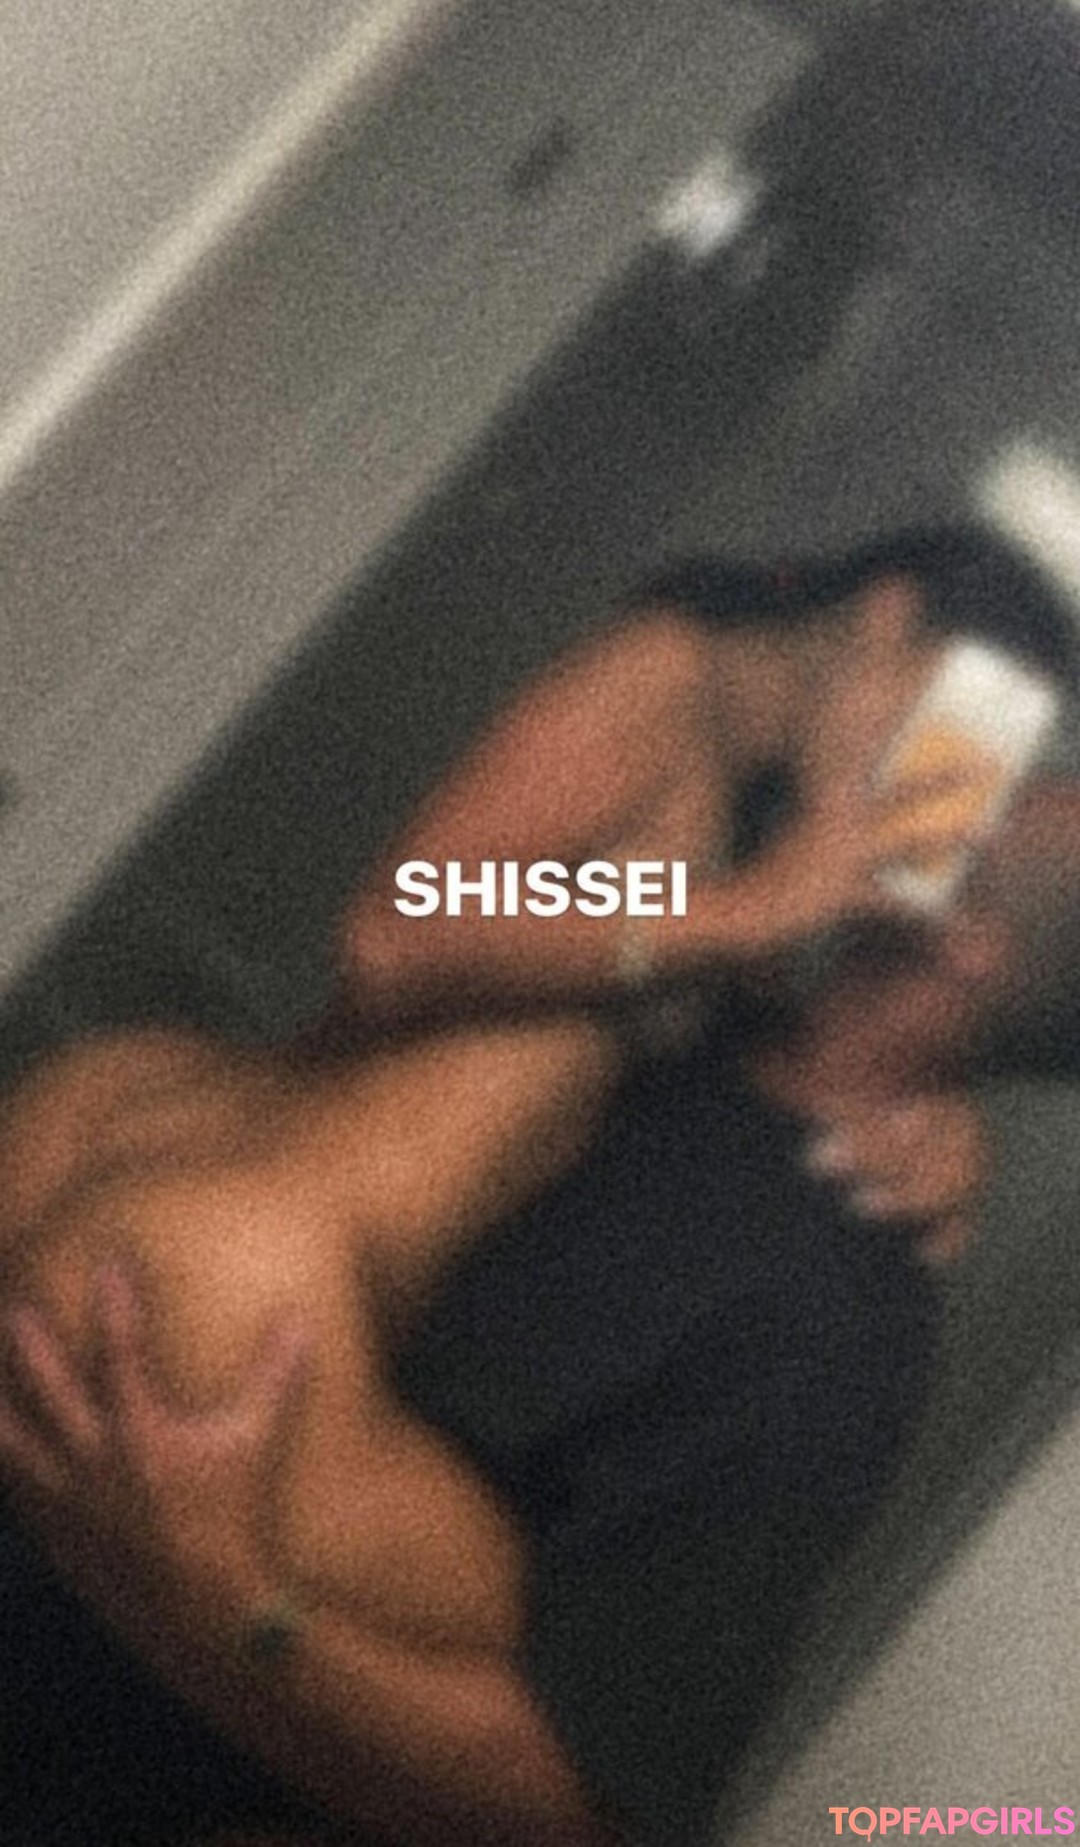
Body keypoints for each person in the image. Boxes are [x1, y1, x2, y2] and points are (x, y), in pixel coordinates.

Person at [0, 527, 1075, 1846]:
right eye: (967, 735)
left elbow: (601, 943)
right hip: (205, 1217)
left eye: (985, 780)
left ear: (969, 941)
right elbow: (405, 923)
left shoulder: (825, 1240)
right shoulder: (669, 685)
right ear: (884, 618)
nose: (932, 800)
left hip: (193, 1246)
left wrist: (929, 1104)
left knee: (538, 1662)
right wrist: (753, 911)